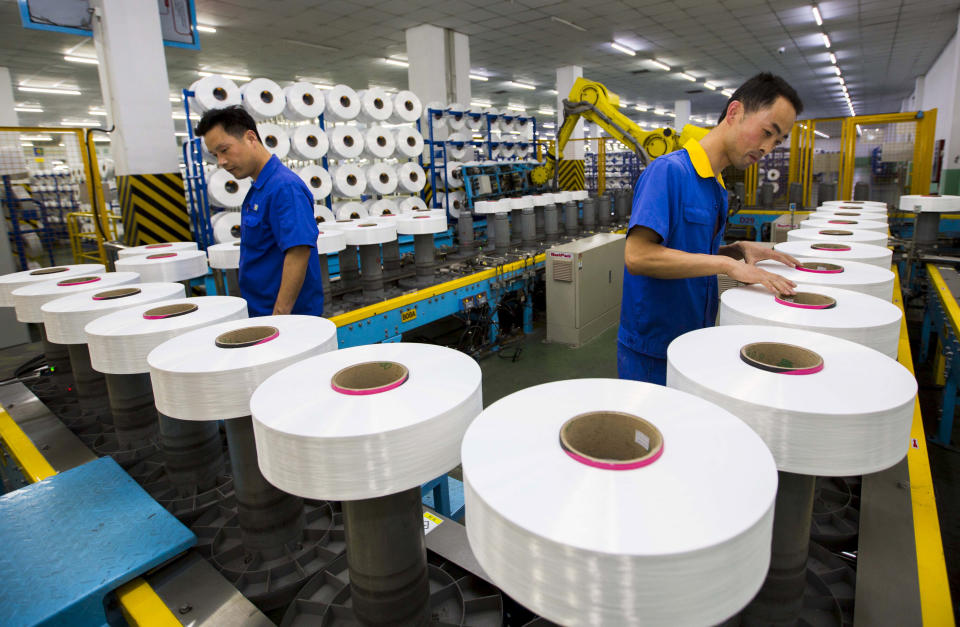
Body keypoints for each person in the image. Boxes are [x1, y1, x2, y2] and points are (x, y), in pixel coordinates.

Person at [618, 72, 803, 385]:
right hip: (653, 352)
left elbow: (683, 250)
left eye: (777, 141)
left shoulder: (716, 186)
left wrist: (734, 250)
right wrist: (726, 264)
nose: (767, 148)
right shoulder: (668, 172)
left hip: (696, 339)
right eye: (767, 132)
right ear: (734, 113)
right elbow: (638, 257)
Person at [196, 106, 324, 316]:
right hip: (262, 313)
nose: (221, 162)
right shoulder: (259, 189)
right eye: (215, 155)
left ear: (250, 137)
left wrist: (279, 317)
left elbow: (298, 252)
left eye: (224, 150)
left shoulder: (284, 188)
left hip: (286, 322)